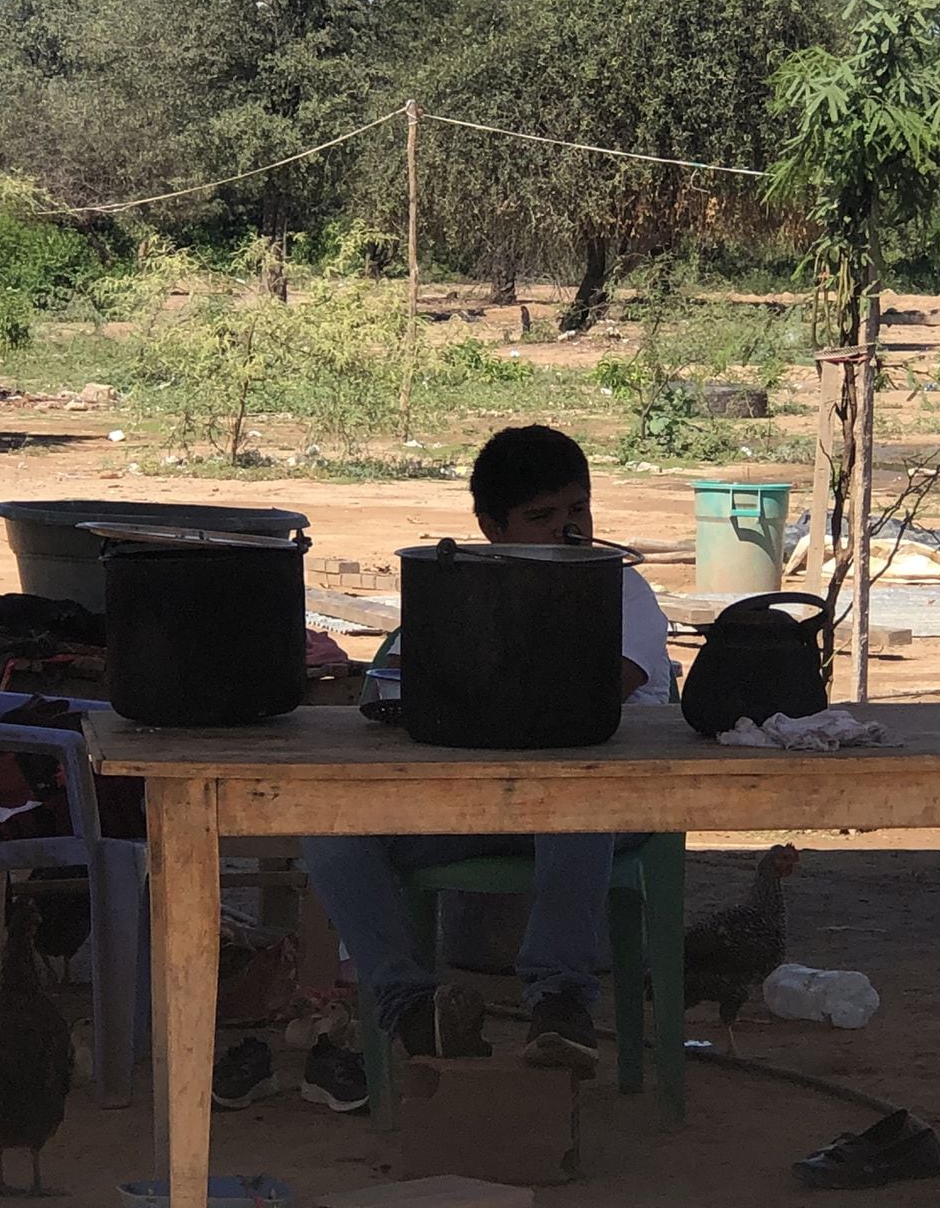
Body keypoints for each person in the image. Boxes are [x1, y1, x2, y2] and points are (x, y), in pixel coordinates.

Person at [212, 426, 671, 1114]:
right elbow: (417, 691)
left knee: (577, 802)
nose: (568, 530)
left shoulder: (622, 591)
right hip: (478, 810)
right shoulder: (463, 593)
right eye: (542, 518)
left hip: (600, 814)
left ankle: (559, 1005)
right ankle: (412, 1009)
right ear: (490, 526)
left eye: (577, 510)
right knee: (334, 838)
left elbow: (598, 690)